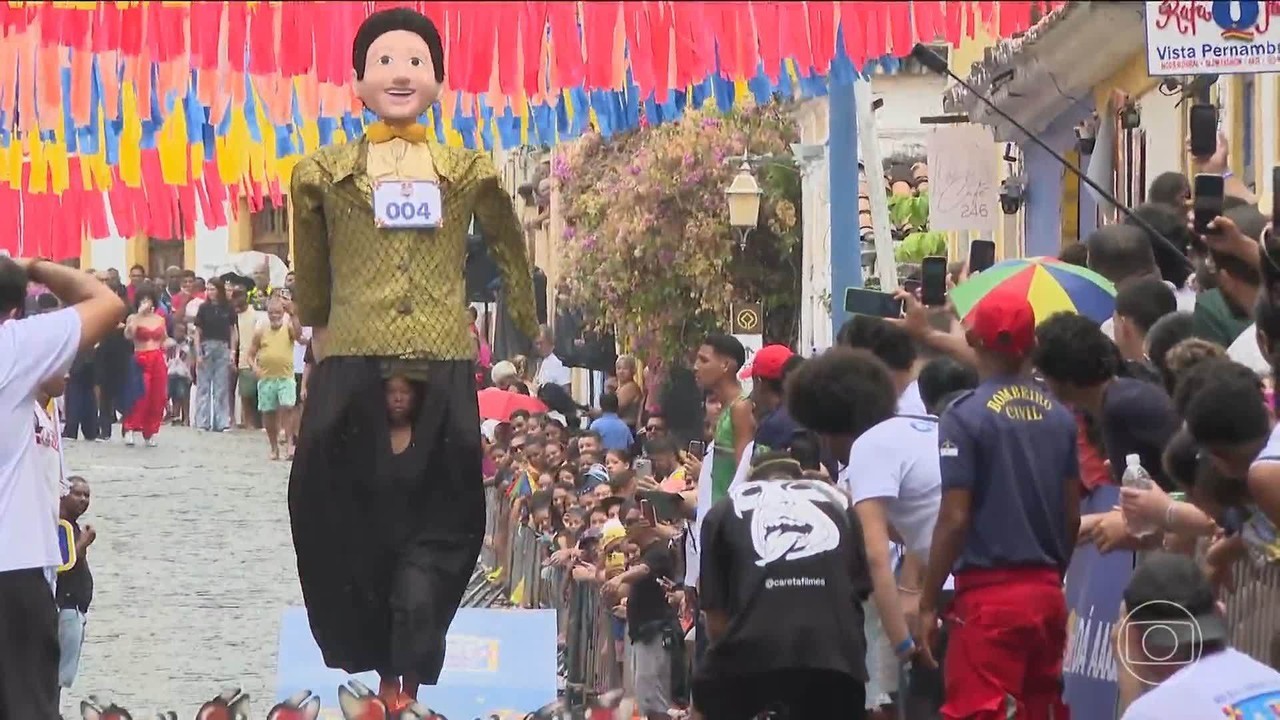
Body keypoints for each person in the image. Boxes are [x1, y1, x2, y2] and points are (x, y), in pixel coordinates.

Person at [288, 7, 536, 710]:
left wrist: (526, 320)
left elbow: (509, 244)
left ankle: (409, 673)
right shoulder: (320, 173)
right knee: (327, 503)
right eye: (385, 62)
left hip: (441, 362)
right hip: (352, 362)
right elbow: (312, 271)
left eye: (416, 62)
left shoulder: (469, 170)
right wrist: (318, 327)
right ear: (358, 80)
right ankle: (368, 658)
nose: (400, 75)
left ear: (438, 80)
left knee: (445, 511)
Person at [919, 294, 1081, 719]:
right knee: (1042, 709)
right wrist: (1051, 577)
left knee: (980, 710)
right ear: (1032, 346)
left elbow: (955, 518)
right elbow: (1071, 516)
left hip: (988, 599)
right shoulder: (1061, 418)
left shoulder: (964, 416)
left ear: (974, 341)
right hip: (1047, 595)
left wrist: (927, 602)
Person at [0, 256, 125, 719]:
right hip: (12, 568)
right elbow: (105, 302)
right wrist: (35, 267)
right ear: (15, 311)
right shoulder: (12, 346)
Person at [695, 452, 872, 719]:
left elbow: (716, 624)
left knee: (704, 696)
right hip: (838, 660)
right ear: (799, 479)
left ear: (751, 481)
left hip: (751, 656)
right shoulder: (839, 503)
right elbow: (858, 598)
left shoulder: (724, 508)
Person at [1118, 553, 1280, 718]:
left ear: (1131, 636)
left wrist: (1129, 676)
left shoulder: (1150, 711)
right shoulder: (1272, 680)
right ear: (1220, 613)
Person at [694, 333, 754, 505]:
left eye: (704, 360)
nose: (695, 367)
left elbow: (743, 473)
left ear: (726, 365)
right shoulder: (725, 409)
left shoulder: (740, 408)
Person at [247, 296, 302, 460]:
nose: (275, 316)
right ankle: (274, 446)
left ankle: (290, 444)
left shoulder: (288, 327)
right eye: (271, 312)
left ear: (282, 312)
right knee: (268, 412)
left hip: (285, 376)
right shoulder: (261, 330)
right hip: (266, 378)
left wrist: (293, 315)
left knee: (288, 407)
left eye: (278, 312)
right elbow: (250, 355)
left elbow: (298, 336)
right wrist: (255, 368)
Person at [56, 476, 95, 703]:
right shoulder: (60, 525)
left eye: (87, 495)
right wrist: (84, 543)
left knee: (63, 674)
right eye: (77, 494)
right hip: (66, 607)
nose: (83, 499)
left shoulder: (72, 526)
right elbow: (64, 563)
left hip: (76, 609)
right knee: (57, 674)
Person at [122, 283, 169, 447]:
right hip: (141, 358)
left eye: (148, 299)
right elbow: (128, 335)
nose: (146, 303)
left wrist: (170, 345)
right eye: (143, 299)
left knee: (157, 396)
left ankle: (150, 431)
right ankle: (129, 427)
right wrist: (138, 317)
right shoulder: (133, 318)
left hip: (157, 358)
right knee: (140, 395)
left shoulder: (160, 319)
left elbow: (164, 338)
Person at [193, 277, 235, 432]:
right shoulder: (203, 308)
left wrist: (232, 351)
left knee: (221, 386)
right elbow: (198, 332)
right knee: (203, 386)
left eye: (213, 289)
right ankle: (202, 421)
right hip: (206, 346)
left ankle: (221, 421)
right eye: (208, 289)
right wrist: (198, 353)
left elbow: (232, 331)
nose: (210, 292)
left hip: (222, 347)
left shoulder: (228, 308)